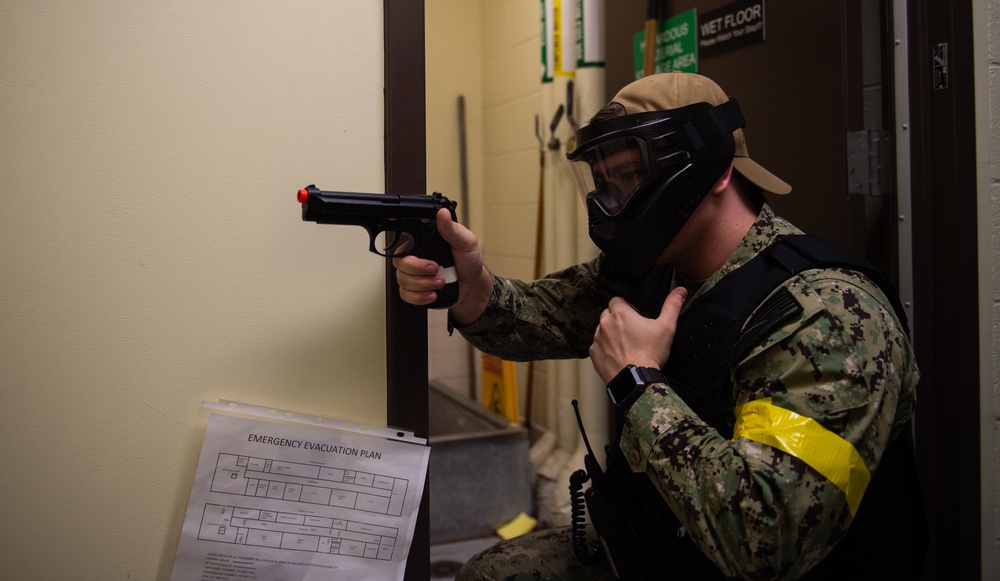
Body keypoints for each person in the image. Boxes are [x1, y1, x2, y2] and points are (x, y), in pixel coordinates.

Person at [394, 73, 924, 580]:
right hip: (664, 553)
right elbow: (536, 317)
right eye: (604, 180)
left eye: (632, 176)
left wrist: (636, 383)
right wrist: (470, 285)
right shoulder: (655, 269)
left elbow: (765, 539)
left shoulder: (824, 314)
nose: (612, 200)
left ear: (715, 169)